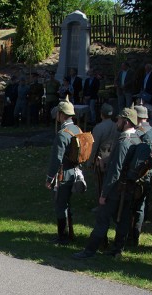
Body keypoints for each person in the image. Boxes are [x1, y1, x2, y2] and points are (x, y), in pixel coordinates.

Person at [73, 108, 141, 259]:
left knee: (102, 219)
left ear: (126, 122)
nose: (116, 122)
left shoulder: (124, 142)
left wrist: (104, 193)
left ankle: (89, 251)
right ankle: (117, 249)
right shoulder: (136, 139)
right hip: (129, 187)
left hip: (116, 189)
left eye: (119, 120)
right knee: (123, 220)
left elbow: (115, 170)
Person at [44, 95, 82, 245]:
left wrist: (49, 178)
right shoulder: (77, 129)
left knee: (60, 205)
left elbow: (56, 159)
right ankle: (69, 233)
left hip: (63, 174)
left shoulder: (62, 134)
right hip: (75, 171)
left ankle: (63, 236)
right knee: (67, 203)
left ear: (61, 114)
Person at [88, 103, 118, 200]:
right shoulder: (117, 126)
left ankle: (101, 202)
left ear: (101, 114)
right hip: (113, 157)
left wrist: (90, 161)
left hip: (100, 159)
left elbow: (94, 146)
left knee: (100, 182)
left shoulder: (98, 128)